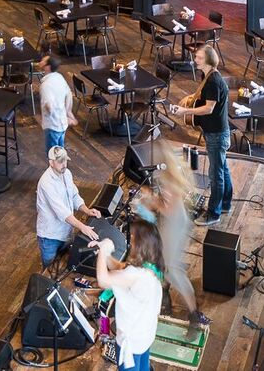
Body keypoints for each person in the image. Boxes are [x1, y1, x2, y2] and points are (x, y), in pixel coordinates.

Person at [140, 152, 210, 326]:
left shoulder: (169, 182)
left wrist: (151, 201)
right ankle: (165, 293)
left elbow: (168, 210)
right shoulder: (169, 177)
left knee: (172, 268)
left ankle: (193, 312)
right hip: (173, 223)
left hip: (174, 224)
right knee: (164, 262)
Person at [169, 44, 231, 224]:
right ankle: (225, 204)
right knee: (223, 169)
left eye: (199, 58)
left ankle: (214, 214)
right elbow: (205, 97)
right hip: (216, 132)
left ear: (209, 61)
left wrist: (185, 111)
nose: (195, 60)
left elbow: (209, 108)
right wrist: (190, 98)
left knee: (216, 175)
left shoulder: (213, 81)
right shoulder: (208, 76)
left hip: (216, 134)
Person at [93, 218, 165, 371]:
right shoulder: (151, 266)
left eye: (132, 237)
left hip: (131, 341)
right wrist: (106, 255)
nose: (129, 240)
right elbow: (121, 268)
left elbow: (103, 280)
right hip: (145, 333)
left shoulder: (135, 275)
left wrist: (103, 252)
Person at [35, 145, 101, 268]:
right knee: (49, 269)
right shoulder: (46, 183)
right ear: (51, 162)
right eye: (60, 161)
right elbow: (62, 212)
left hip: (66, 231)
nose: (64, 164)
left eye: (65, 160)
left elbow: (74, 195)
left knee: (64, 264)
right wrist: (83, 227)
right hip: (50, 236)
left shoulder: (67, 173)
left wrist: (87, 210)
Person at [37, 54, 74, 153]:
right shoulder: (59, 77)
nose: (40, 61)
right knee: (60, 153)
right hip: (62, 123)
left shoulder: (46, 85)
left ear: (48, 67)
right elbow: (69, 94)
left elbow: (49, 105)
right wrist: (68, 113)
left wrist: (50, 115)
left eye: (43, 61)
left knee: (53, 155)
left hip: (52, 125)